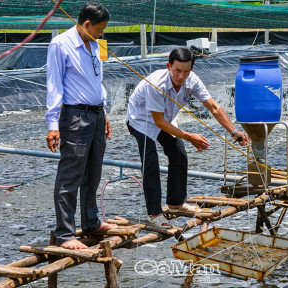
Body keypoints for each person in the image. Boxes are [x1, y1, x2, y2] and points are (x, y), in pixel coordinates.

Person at [126, 48, 249, 228]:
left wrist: (233, 131)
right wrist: (189, 136)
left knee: (179, 155)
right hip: (141, 120)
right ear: (169, 66)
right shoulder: (156, 83)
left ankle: (176, 203)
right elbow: (157, 121)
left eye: (186, 71)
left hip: (165, 119)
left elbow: (214, 107)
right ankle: (154, 214)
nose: (181, 76)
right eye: (177, 70)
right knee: (151, 161)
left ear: (191, 69)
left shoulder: (192, 80)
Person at [45, 2, 117, 250]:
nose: (102, 33)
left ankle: (91, 222)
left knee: (93, 173)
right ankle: (65, 234)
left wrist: (104, 112)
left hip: (96, 115)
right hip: (74, 116)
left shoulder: (96, 44)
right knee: (70, 176)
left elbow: (98, 81)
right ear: (86, 24)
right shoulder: (60, 44)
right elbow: (54, 86)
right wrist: (53, 124)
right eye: (99, 28)